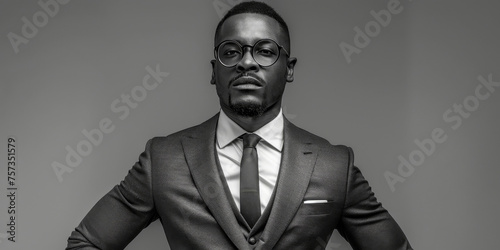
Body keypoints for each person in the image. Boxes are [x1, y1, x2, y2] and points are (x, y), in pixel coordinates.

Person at [66, 2, 412, 249]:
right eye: (230, 51)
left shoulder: (335, 165)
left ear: (289, 68)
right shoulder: (164, 159)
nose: (246, 62)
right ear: (213, 70)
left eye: (265, 51)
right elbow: (87, 243)